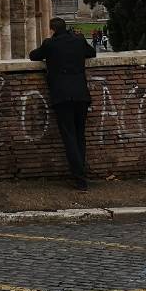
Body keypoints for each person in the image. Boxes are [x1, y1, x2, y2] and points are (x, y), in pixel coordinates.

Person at [29, 17, 96, 189]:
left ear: (52, 29)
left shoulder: (50, 44)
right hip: (81, 94)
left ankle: (80, 178)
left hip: (61, 96)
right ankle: (82, 173)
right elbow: (92, 53)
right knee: (80, 135)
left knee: (69, 136)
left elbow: (33, 56)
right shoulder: (79, 41)